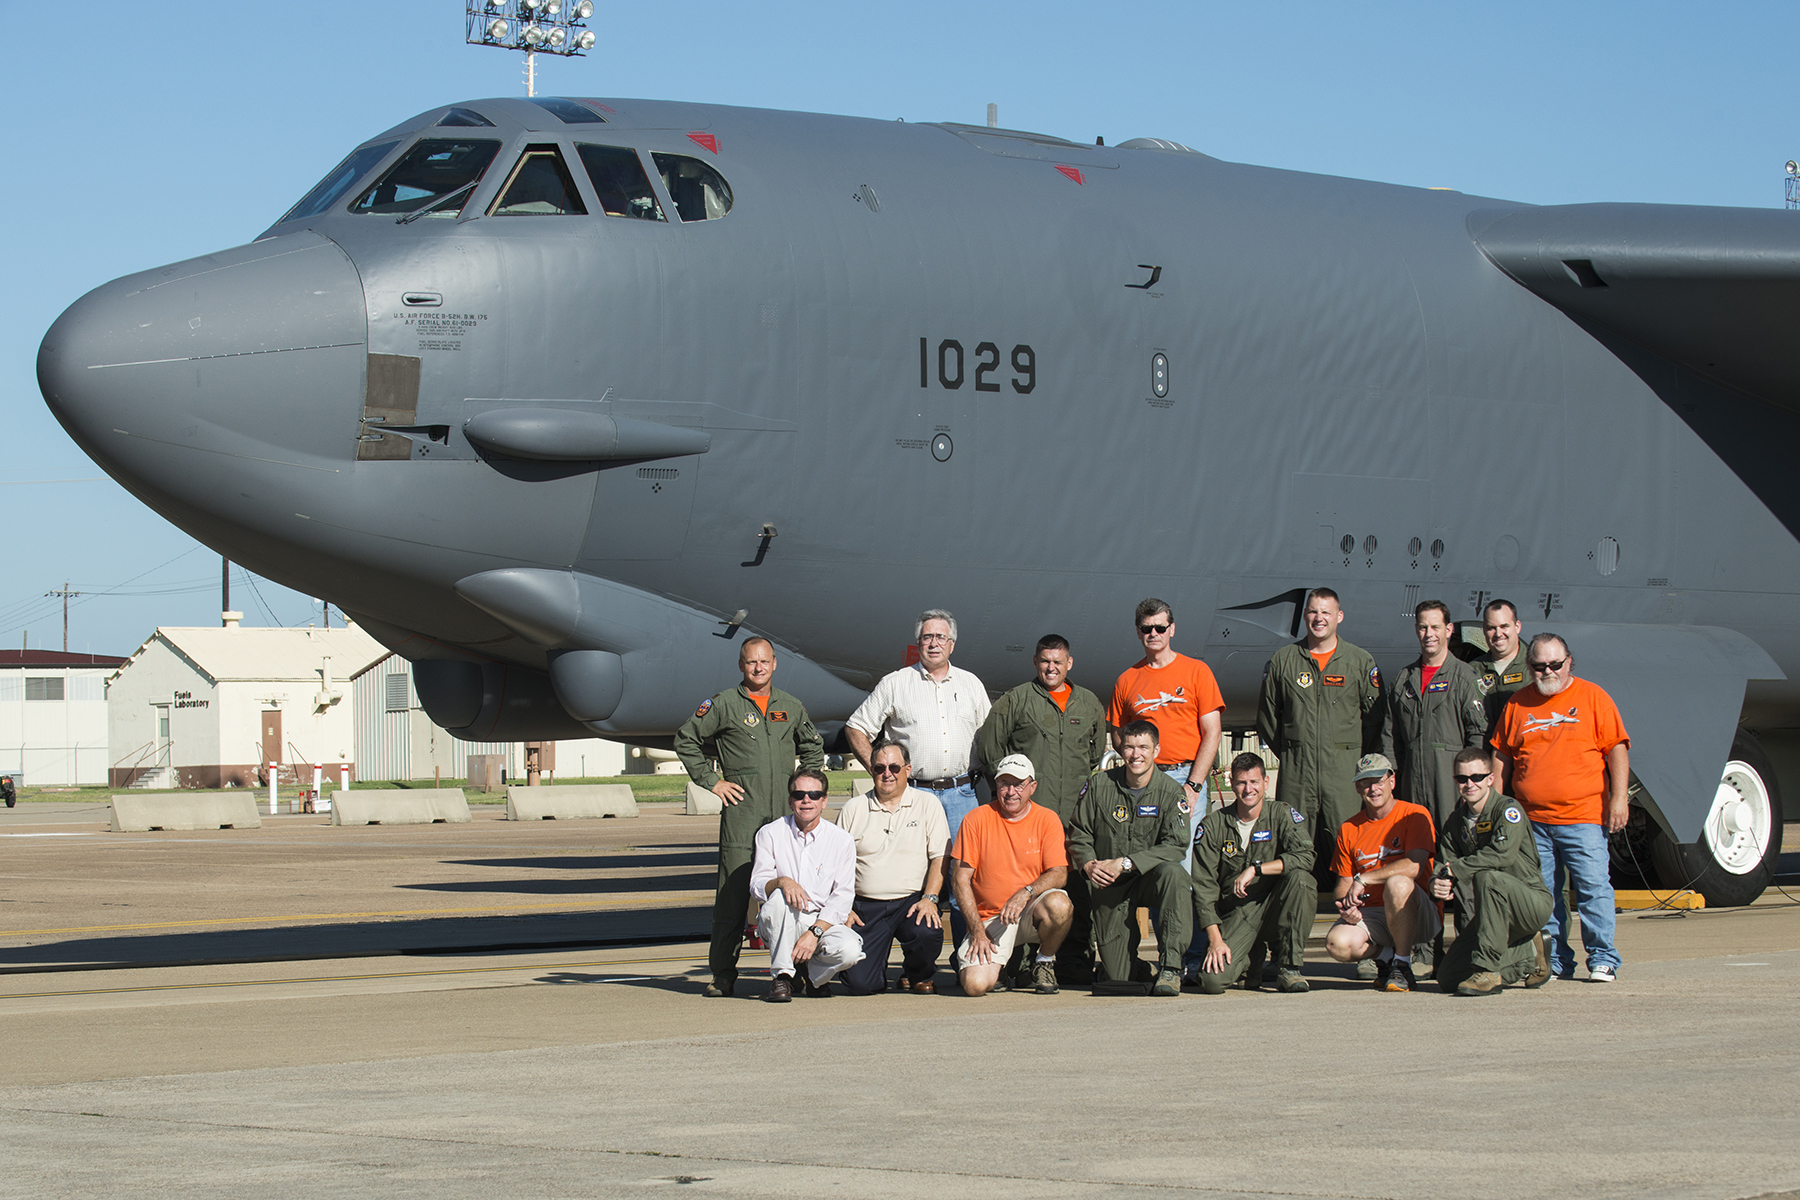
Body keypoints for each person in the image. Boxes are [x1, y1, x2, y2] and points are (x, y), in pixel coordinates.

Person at [675, 636, 825, 998]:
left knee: (795, 895)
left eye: (764, 661)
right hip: (743, 814)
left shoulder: (790, 706)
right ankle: (723, 974)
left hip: (785, 817)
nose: (758, 668)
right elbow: (686, 740)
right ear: (741, 665)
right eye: (751, 662)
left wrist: (803, 788)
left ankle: (795, 971)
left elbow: (812, 746)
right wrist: (712, 781)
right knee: (733, 897)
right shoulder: (724, 704)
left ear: (774, 664)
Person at [1490, 633, 1630, 983]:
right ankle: (1554, 960)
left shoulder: (1594, 697)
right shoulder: (1518, 704)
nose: (1548, 671)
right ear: (1529, 666)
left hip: (1583, 817)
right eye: (1539, 666)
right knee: (1544, 896)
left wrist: (1619, 798)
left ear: (1569, 662)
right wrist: (1494, 808)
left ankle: (1603, 958)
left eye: (1555, 664)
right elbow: (1501, 757)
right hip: (1532, 822)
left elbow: (1617, 748)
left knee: (1593, 889)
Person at [977, 634, 1106, 981]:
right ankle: (1019, 964)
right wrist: (1013, 796)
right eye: (1045, 661)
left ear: (1069, 663)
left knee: (1076, 888)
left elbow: (1094, 754)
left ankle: (1073, 961)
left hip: (1075, 818)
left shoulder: (1088, 703)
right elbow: (990, 750)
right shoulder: (1016, 700)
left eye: (1058, 662)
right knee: (1025, 884)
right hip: (1029, 819)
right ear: (1035, 662)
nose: (1051, 668)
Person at [1255, 586, 1383, 885]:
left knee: (1351, 842)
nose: (1319, 618)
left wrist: (1352, 757)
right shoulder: (1284, 661)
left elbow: (1375, 719)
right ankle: (1294, 906)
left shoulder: (1359, 661)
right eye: (1313, 611)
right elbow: (1268, 718)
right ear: (1304, 616)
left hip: (1344, 774)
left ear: (1339, 616)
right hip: (1298, 774)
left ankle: (1357, 906)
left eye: (1326, 612)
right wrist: (1293, 752)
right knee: (1293, 843)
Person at [1065, 721, 1191, 996]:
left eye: (1143, 747)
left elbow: (1177, 845)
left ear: (1156, 750)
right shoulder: (1099, 785)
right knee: (1118, 977)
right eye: (1130, 747)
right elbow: (1079, 832)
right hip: (1111, 882)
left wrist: (1126, 862)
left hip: (1151, 878)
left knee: (1175, 874)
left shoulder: (1171, 792)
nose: (1136, 754)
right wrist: (1088, 864)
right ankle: (1139, 968)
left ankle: (1171, 968)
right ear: (1121, 749)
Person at [846, 609, 991, 844]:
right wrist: (880, 772)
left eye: (941, 637)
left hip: (963, 796)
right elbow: (856, 728)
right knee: (913, 863)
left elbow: (990, 736)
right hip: (913, 795)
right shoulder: (895, 684)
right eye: (927, 637)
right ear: (918, 643)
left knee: (963, 863)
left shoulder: (971, 684)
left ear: (952, 645)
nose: (934, 643)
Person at [1431, 747, 1553, 996]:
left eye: (1477, 777)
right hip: (1492, 913)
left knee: (1488, 877)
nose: (1470, 784)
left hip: (1529, 903)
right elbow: (1445, 863)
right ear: (1455, 780)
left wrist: (1457, 870)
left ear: (1490, 778)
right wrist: (1438, 882)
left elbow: (1502, 855)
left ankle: (1487, 971)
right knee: (1448, 977)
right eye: (1462, 778)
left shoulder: (1508, 810)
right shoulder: (1456, 821)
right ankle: (1529, 954)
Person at [1190, 753, 1316, 994]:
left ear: (1265, 783)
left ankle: (1288, 967)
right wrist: (1215, 941)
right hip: (1237, 913)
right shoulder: (1213, 825)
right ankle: (1251, 960)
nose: (1248, 789)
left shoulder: (1281, 814)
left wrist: (1257, 869)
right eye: (1241, 783)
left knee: (1301, 880)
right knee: (1212, 982)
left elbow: (1306, 856)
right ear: (1232, 784)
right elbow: (1204, 889)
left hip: (1275, 906)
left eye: (1254, 782)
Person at [951, 754, 1075, 997]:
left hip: (1029, 912)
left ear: (1032, 787)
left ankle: (1044, 962)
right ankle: (998, 968)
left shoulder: (1047, 819)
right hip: (990, 920)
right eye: (1004, 783)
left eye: (1018, 784)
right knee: (975, 986)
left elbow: (1059, 874)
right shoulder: (976, 819)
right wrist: (977, 931)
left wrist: (1025, 893)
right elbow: (959, 880)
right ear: (995, 784)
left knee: (1060, 904)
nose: (1010, 792)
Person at [834, 738, 950, 995]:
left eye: (894, 767)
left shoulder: (927, 804)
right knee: (861, 985)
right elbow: (836, 865)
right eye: (880, 768)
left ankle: (918, 974)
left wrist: (930, 898)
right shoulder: (853, 809)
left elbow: (940, 857)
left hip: (911, 903)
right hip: (865, 908)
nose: (887, 774)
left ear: (907, 770)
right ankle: (873, 972)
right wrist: (843, 908)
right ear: (872, 770)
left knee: (927, 930)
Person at [1324, 754, 1440, 993]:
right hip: (1373, 914)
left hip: (1416, 911)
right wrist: (1346, 906)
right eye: (1365, 783)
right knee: (1338, 944)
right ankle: (1387, 957)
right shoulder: (1349, 828)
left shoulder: (1414, 814)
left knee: (1398, 882)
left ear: (1392, 781)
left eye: (1378, 780)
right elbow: (1344, 882)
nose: (1373, 788)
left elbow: (1415, 866)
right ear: (1357, 788)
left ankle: (1403, 965)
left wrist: (1365, 878)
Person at [749, 768, 864, 1001]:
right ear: (790, 801)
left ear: (824, 801)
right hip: (781, 919)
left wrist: (815, 932)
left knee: (850, 950)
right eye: (799, 794)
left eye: (814, 795)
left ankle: (813, 977)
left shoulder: (841, 840)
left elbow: (842, 896)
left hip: (820, 919)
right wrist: (782, 882)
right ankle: (782, 976)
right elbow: (757, 886)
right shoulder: (770, 833)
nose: (806, 800)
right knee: (780, 898)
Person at [1106, 599, 1225, 822]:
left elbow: (1213, 732)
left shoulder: (1197, 672)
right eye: (1146, 628)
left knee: (1183, 844)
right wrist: (1138, 767)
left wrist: (1194, 785)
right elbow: (1117, 734)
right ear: (1138, 632)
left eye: (1160, 628)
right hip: (1144, 778)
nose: (1153, 633)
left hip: (1186, 776)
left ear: (1172, 629)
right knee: (1143, 843)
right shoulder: (1126, 680)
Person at [1381, 600, 1490, 831]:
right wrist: (1391, 780)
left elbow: (1477, 735)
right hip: (1411, 783)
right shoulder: (1404, 679)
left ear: (1448, 630)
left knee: (1451, 840)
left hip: (1450, 784)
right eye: (1423, 627)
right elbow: (1390, 735)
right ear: (1416, 630)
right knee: (1413, 841)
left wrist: (1471, 783)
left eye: (1435, 627)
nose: (1429, 634)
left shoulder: (1464, 678)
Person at [1469, 599, 1530, 729]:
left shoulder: (1534, 668)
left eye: (1504, 626)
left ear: (1517, 627)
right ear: (1484, 630)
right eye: (1491, 628)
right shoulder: (1472, 670)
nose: (1498, 634)